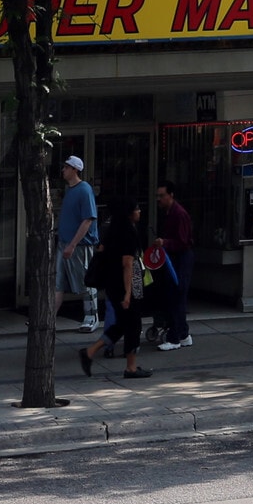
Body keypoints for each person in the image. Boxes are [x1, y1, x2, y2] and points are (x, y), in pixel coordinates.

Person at [79, 196, 151, 380]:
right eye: (137, 209)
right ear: (129, 213)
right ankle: (131, 367)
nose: (139, 212)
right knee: (133, 324)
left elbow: (102, 252)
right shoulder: (129, 232)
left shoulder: (111, 230)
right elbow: (127, 264)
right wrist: (128, 293)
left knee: (121, 324)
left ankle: (90, 352)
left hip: (111, 284)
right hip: (125, 286)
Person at [55, 155, 100, 330]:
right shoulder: (71, 190)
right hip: (65, 243)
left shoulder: (84, 190)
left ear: (75, 169)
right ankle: (50, 317)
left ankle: (91, 316)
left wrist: (73, 244)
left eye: (66, 167)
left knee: (85, 281)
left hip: (79, 245)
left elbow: (87, 219)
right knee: (58, 282)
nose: (63, 170)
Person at [152, 179, 195, 351]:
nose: (159, 199)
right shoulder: (170, 213)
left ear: (171, 195)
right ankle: (183, 334)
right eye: (158, 196)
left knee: (177, 296)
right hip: (174, 257)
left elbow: (184, 242)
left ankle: (175, 337)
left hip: (181, 258)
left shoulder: (179, 214)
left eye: (161, 196)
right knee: (175, 295)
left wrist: (165, 243)